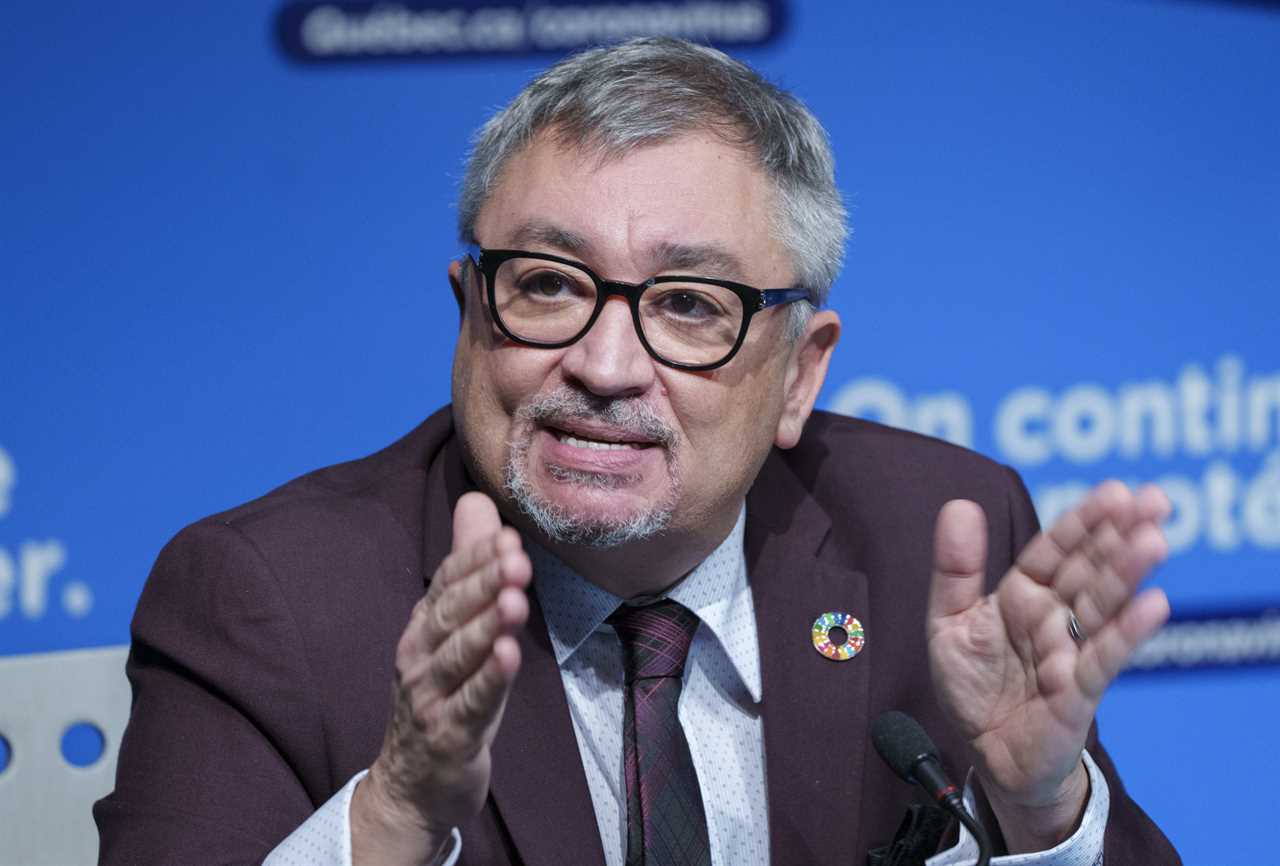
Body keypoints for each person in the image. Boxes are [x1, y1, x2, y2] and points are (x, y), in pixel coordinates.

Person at [95, 37, 1179, 866]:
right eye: (549, 284)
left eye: (689, 304)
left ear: (799, 372)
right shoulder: (268, 600)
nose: (606, 364)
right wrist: (392, 817)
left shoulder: (937, 531)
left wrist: (1042, 809)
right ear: (471, 309)